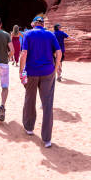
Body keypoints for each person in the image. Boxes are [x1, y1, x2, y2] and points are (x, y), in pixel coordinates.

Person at [19, 15, 61, 148]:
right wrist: (55, 68)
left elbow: (24, 53)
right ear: (43, 24)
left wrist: (21, 71)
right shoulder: (50, 34)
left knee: (30, 99)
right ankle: (47, 139)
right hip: (48, 72)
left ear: (33, 24)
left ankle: (29, 127)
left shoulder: (28, 34)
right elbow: (58, 53)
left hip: (31, 72)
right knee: (47, 104)